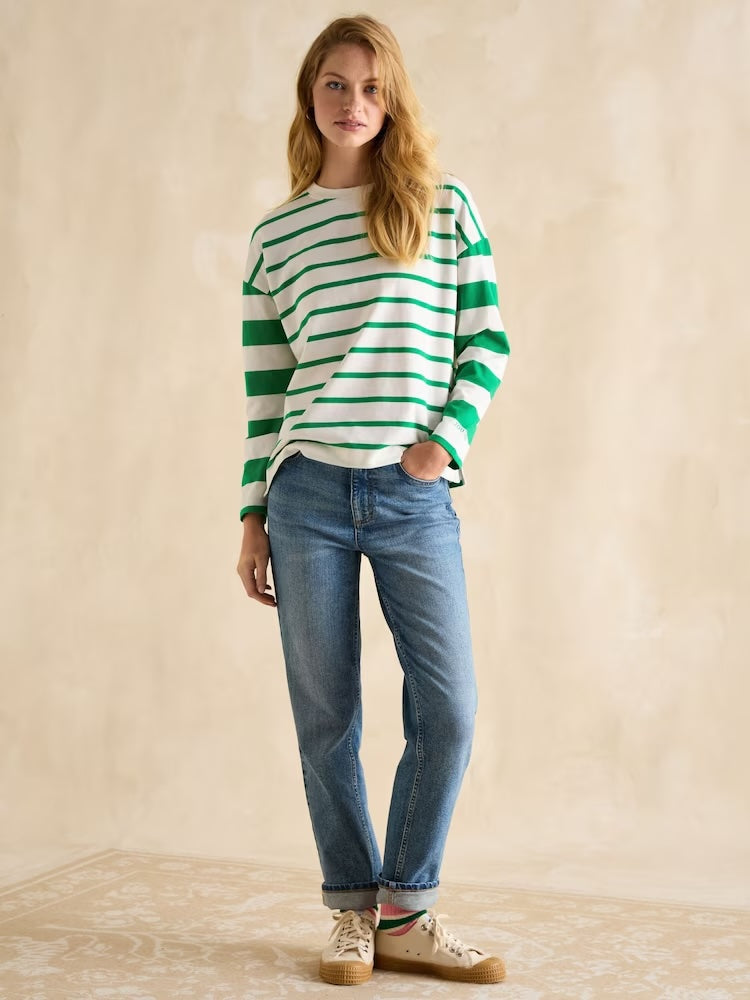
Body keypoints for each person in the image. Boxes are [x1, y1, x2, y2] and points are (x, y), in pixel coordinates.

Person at [236, 13, 510, 987]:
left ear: (393, 101)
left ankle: (409, 906)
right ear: (309, 96)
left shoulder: (441, 206)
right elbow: (266, 393)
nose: (353, 103)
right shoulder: (276, 237)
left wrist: (447, 440)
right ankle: (355, 911)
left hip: (411, 492)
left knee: (450, 708)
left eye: (371, 87)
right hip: (305, 494)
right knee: (327, 718)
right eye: (335, 84)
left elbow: (487, 342)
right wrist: (251, 515)